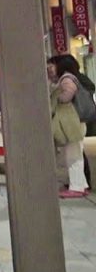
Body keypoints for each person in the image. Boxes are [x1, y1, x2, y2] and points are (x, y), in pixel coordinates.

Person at [48, 55, 90, 197]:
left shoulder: (66, 79)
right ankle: (81, 185)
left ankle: (76, 187)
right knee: (75, 154)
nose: (50, 68)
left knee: (72, 156)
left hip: (71, 123)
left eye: (53, 65)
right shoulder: (68, 77)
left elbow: (67, 95)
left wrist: (58, 97)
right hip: (73, 123)